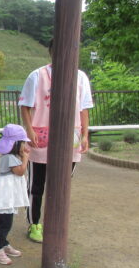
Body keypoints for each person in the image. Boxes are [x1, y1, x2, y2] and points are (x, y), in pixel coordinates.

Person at [19, 39, 93, 243]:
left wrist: (86, 135)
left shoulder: (80, 77)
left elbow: (84, 108)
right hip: (41, 136)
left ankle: (56, 223)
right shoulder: (38, 75)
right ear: (52, 52)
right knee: (37, 185)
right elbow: (25, 105)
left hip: (71, 136)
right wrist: (29, 129)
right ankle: (34, 223)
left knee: (61, 185)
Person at [0, 124, 31, 265]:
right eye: (23, 142)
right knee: (5, 223)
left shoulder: (10, 156)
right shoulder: (10, 158)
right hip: (6, 194)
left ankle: (3, 243)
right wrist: (26, 158)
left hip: (8, 193)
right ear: (15, 144)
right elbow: (20, 171)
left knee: (4, 220)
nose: (25, 145)